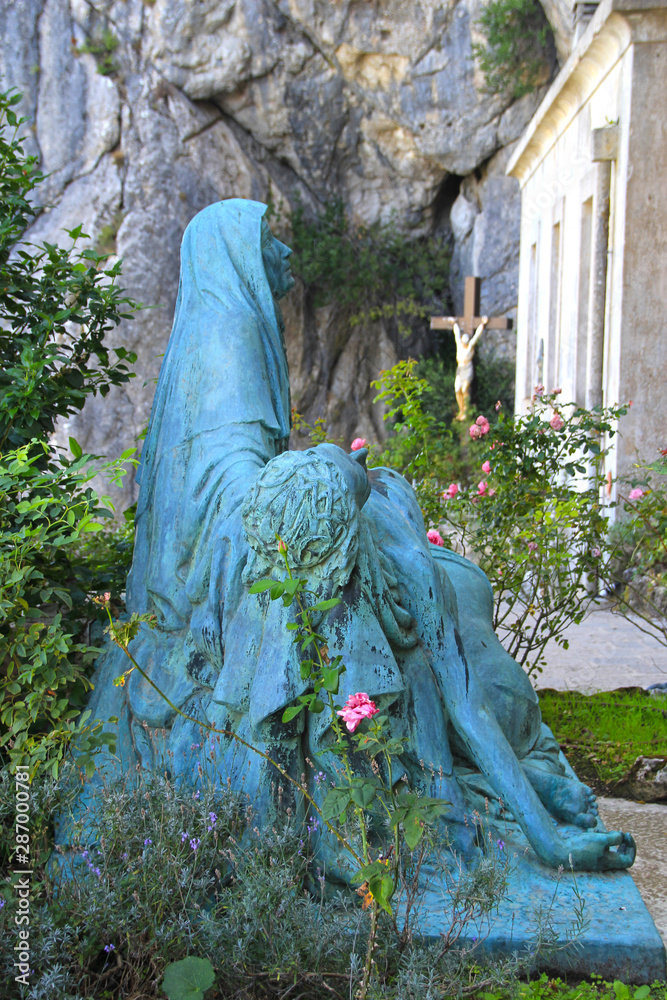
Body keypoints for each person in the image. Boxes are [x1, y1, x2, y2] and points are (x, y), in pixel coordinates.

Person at [64, 199, 635, 875]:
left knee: (432, 634)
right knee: (422, 653)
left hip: (292, 528)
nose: (283, 254)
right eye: (268, 241)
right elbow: (225, 490)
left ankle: (480, 791)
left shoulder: (233, 329)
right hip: (239, 548)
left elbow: (259, 477)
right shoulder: (228, 336)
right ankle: (469, 793)